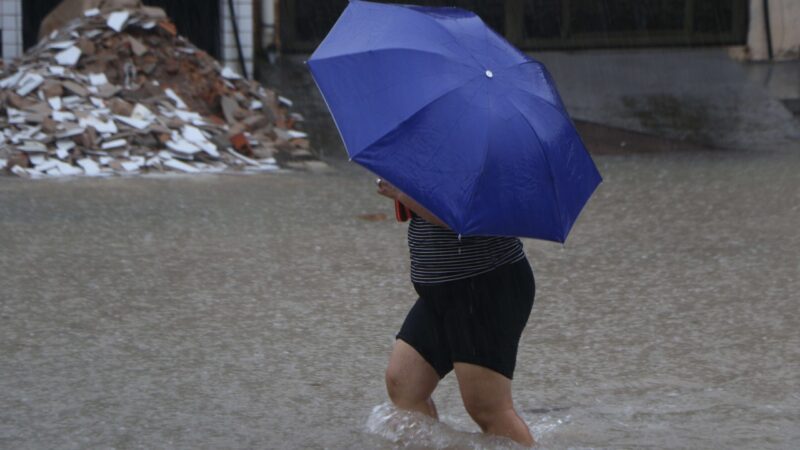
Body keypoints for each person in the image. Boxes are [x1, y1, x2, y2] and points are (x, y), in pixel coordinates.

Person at [376, 178, 536, 447]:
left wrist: (402, 192)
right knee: (404, 382)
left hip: (485, 287)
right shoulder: (434, 148)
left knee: (486, 408)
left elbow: (461, 217)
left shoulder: (477, 155)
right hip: (441, 290)